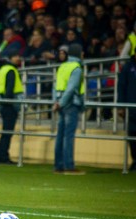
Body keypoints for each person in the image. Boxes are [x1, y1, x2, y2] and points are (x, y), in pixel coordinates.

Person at [52, 43, 85, 175]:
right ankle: (69, 166)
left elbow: (56, 86)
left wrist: (57, 102)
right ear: (78, 54)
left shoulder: (63, 66)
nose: (83, 55)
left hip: (60, 103)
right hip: (70, 104)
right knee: (68, 136)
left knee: (60, 135)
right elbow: (71, 88)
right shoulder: (76, 68)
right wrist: (62, 103)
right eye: (82, 52)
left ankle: (58, 166)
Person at [0, 49, 23, 165]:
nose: (18, 58)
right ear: (11, 58)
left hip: (3, 103)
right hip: (10, 105)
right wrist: (12, 103)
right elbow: (9, 90)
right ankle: (3, 156)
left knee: (5, 132)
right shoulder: (11, 70)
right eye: (16, 55)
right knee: (7, 133)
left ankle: (1, 156)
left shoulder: (3, 69)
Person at [117, 45, 136, 171]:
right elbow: (121, 87)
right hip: (132, 107)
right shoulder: (128, 67)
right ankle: (135, 160)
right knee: (132, 134)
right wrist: (121, 106)